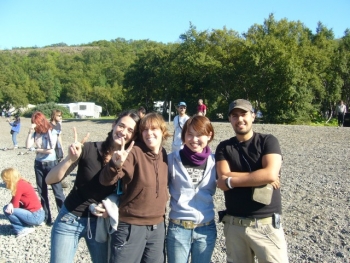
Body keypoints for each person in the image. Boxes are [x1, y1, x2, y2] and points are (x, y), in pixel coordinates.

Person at [45, 110, 140, 263]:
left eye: (130, 130)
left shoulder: (129, 163)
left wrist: (111, 208)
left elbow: (131, 196)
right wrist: (70, 159)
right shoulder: (89, 149)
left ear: (134, 137)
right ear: (113, 125)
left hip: (100, 225)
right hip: (69, 218)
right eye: (121, 126)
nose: (123, 132)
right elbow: (50, 179)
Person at [215, 99, 289, 263]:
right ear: (230, 119)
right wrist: (259, 176)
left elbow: (270, 173)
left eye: (244, 114)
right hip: (234, 226)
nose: (240, 119)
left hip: (266, 225)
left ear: (253, 116)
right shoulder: (224, 147)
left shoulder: (268, 141)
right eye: (235, 116)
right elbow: (221, 179)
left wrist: (231, 181)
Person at [100, 112, 170, 263]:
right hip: (131, 226)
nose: (149, 133)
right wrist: (115, 165)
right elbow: (106, 180)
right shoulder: (134, 152)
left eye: (154, 129)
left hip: (157, 227)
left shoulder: (164, 154)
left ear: (162, 131)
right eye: (145, 129)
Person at [167, 115, 217, 263]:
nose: (194, 139)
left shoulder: (216, 161)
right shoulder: (171, 159)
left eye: (199, 134)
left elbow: (236, 174)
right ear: (183, 136)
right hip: (178, 228)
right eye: (189, 134)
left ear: (209, 135)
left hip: (205, 228)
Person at [26, 111, 65, 226]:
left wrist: (35, 150)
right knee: (42, 191)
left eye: (35, 123)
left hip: (51, 163)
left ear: (40, 122)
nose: (34, 125)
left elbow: (50, 149)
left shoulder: (51, 131)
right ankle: (46, 218)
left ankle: (63, 217)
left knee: (57, 191)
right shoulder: (35, 133)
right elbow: (28, 145)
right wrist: (30, 132)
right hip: (38, 164)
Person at [1, 167, 45, 238]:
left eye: (5, 180)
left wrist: (10, 205)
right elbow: (15, 201)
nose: (4, 182)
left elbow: (15, 205)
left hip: (36, 216)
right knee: (10, 207)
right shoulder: (21, 182)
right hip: (39, 214)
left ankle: (22, 228)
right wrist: (11, 204)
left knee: (7, 209)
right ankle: (26, 224)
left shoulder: (18, 186)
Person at [50, 109, 68, 188]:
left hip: (57, 146)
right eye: (59, 115)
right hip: (51, 147)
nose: (61, 117)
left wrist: (61, 147)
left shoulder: (59, 125)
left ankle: (58, 180)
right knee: (53, 164)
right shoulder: (49, 125)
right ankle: (57, 181)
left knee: (58, 164)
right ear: (54, 116)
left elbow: (59, 136)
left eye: (61, 115)